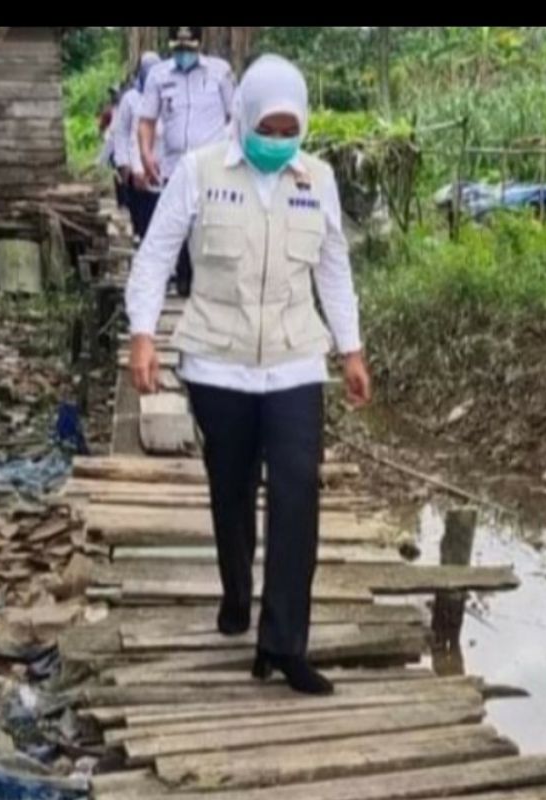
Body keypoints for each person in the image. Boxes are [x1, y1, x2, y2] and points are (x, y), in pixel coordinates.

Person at [125, 54, 372, 696]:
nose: (279, 139)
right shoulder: (201, 172)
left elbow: (333, 268)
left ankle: (284, 643)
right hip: (218, 363)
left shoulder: (316, 179)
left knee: (297, 493)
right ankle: (237, 591)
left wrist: (350, 350)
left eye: (290, 128)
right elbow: (155, 254)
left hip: (294, 361)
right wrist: (143, 335)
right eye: (270, 126)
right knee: (231, 488)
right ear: (245, 118)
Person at [137, 26, 235, 296]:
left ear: (199, 44)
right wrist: (146, 154)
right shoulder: (159, 76)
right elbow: (146, 120)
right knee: (178, 223)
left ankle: (208, 281)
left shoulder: (220, 73)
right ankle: (184, 280)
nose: (183, 54)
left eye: (188, 48)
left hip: (213, 163)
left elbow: (235, 115)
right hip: (174, 164)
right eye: (178, 48)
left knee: (210, 223)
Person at [111, 52, 160, 237]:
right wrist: (125, 165)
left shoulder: (167, 95)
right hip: (136, 170)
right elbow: (122, 134)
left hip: (161, 169)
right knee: (141, 220)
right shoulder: (131, 99)